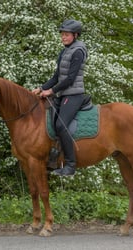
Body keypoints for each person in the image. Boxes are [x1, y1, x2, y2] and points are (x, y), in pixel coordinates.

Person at [32, 19, 88, 176]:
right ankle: (52, 157)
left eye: (66, 35)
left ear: (75, 35)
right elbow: (57, 76)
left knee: (61, 126)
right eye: (62, 35)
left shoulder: (78, 51)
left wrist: (51, 91)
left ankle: (70, 165)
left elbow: (70, 79)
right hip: (63, 94)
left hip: (74, 94)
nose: (63, 37)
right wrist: (41, 88)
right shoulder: (65, 51)